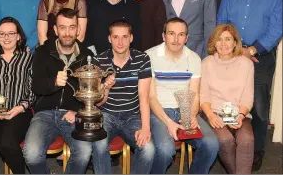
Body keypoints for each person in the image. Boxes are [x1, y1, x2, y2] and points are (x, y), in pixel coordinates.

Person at [217, 0, 282, 171]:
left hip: (261, 59)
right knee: (230, 101)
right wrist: (236, 50)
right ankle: (232, 146)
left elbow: (276, 29)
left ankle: (257, 151)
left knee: (259, 108)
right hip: (231, 56)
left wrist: (251, 51)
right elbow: (222, 22)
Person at [23, 8, 111, 174]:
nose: (67, 33)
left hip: (73, 115)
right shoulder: (42, 52)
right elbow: (35, 86)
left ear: (78, 30)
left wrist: (77, 110)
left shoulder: (87, 56)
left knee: (84, 152)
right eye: (62, 27)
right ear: (55, 30)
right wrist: (54, 82)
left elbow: (91, 95)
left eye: (72, 27)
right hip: (45, 113)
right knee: (31, 155)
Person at [146, 17, 219, 174]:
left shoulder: (194, 59)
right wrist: (168, 122)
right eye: (171, 33)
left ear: (186, 38)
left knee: (211, 144)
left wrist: (192, 115)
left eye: (181, 35)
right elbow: (150, 97)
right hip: (159, 112)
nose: (176, 39)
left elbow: (194, 93)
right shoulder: (150, 56)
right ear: (163, 36)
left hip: (184, 110)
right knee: (166, 150)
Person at [96, 21, 155, 173]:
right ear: (109, 39)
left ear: (131, 38)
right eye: (115, 37)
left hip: (132, 116)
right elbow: (98, 102)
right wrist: (106, 88)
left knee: (148, 149)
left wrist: (146, 128)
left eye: (124, 37)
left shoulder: (142, 59)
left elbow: (144, 96)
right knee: (97, 144)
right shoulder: (99, 61)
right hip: (107, 115)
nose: (120, 42)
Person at [0, 17, 34, 174]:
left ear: (18, 36)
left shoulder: (28, 58)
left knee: (8, 144)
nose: (6, 37)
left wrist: (21, 107)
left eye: (11, 33)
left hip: (18, 112)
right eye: (2, 34)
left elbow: (33, 88)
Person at [200, 24, 254, 174]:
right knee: (225, 140)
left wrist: (241, 116)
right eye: (219, 39)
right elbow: (203, 95)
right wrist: (210, 116)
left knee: (246, 140)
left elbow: (248, 96)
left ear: (235, 43)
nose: (223, 44)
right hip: (213, 112)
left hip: (239, 113)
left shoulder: (246, 64)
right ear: (213, 43)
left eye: (228, 39)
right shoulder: (206, 63)